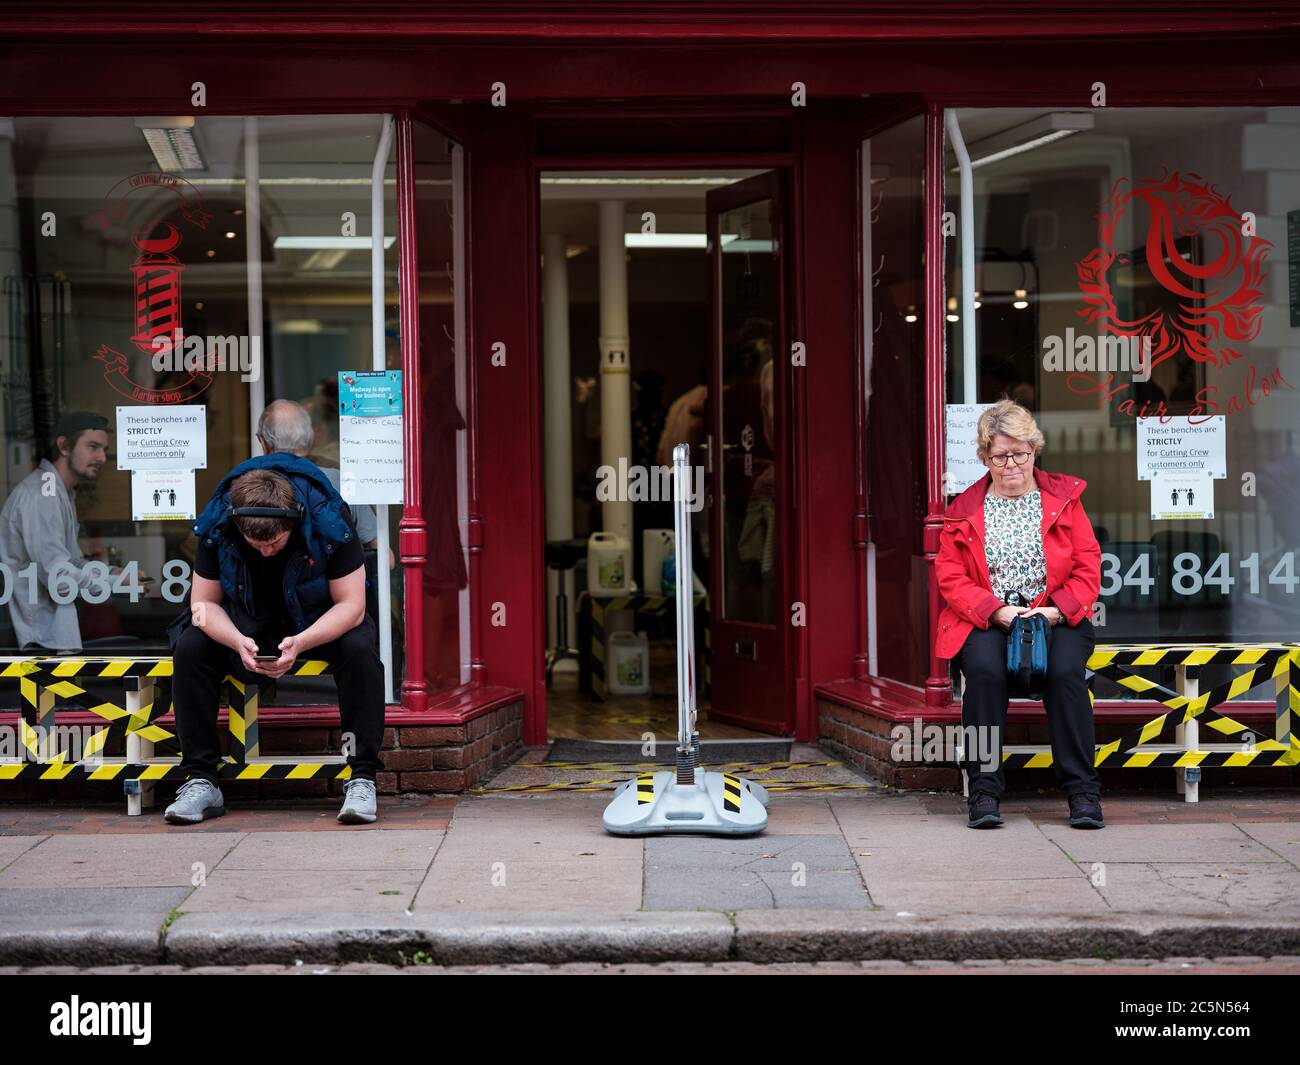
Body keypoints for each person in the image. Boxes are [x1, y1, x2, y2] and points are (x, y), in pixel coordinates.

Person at [162, 452, 383, 825]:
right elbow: (201, 605)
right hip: (245, 617)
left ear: (294, 523)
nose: (265, 550)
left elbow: (353, 606)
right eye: (255, 543)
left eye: (275, 542)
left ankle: (362, 776)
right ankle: (202, 779)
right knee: (191, 645)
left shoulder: (330, 519)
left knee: (359, 647)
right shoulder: (218, 522)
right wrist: (234, 640)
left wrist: (301, 642)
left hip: (318, 618)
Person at [934, 398, 1104, 830]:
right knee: (986, 675)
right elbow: (951, 576)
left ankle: (1083, 793)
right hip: (988, 619)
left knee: (1066, 674)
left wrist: (1055, 611)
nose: (1011, 464)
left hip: (1056, 616)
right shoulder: (965, 509)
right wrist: (997, 611)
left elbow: (1087, 565)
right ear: (984, 457)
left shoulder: (1064, 499)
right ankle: (984, 792)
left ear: (1034, 449)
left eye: (1020, 453)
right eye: (999, 456)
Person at [0, 411, 147, 650]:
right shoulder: (43, 495)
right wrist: (115, 583)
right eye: (92, 447)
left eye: (103, 449)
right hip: (40, 643)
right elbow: (60, 579)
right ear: (64, 446)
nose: (101, 457)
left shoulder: (59, 492)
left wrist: (113, 573)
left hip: (52, 637)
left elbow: (71, 562)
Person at [256, 399, 378, 547]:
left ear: (262, 442)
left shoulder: (246, 486)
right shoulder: (342, 482)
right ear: (311, 437)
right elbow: (385, 559)